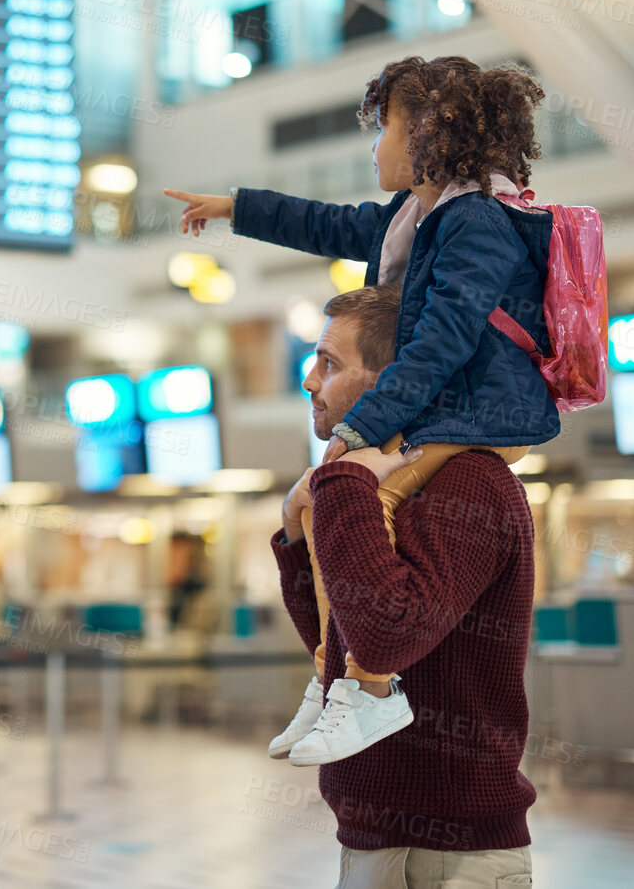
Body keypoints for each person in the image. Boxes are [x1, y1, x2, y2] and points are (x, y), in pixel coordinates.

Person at [168, 55, 560, 765]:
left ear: (427, 138)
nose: (372, 146)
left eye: (384, 128)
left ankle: (371, 689)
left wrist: (362, 425)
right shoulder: (418, 218)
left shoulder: (479, 223)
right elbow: (329, 224)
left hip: (479, 417)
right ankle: (329, 681)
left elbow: (445, 338)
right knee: (315, 503)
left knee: (356, 490)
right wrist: (235, 207)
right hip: (441, 412)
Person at [277, 285, 537, 886]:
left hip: (450, 856)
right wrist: (295, 531)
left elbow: (383, 634)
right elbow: (338, 634)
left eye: (329, 364)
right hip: (373, 841)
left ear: (396, 379)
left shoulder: (471, 484)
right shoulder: (390, 480)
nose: (310, 382)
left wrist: (341, 483)